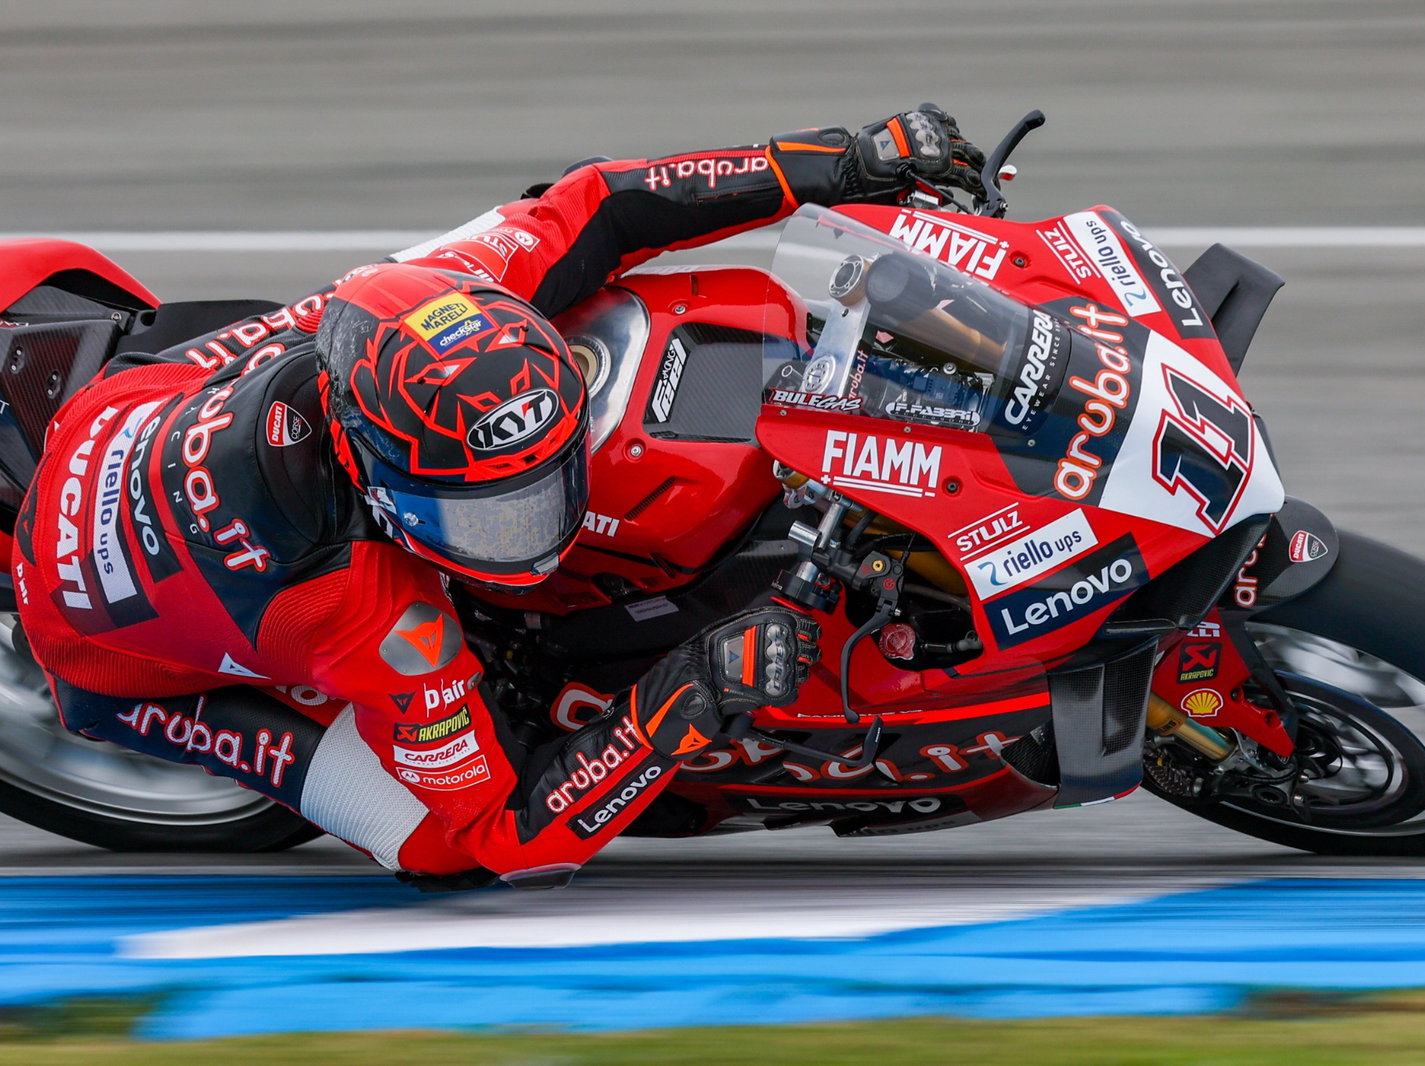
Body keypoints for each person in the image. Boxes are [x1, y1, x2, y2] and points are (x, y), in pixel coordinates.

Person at [10, 107, 986, 890]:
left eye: (552, 481)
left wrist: (839, 160)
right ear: (384, 489)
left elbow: (599, 201)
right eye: (499, 517)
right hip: (102, 650)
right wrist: (680, 699)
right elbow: (512, 840)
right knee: (436, 848)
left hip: (133, 402)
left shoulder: (419, 299)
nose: (544, 535)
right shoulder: (373, 616)